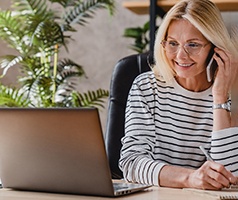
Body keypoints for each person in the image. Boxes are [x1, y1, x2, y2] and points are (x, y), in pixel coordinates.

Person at [119, 0, 238, 190]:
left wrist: (220, 96)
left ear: (215, 47)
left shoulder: (233, 94)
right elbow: (131, 163)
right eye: (173, 43)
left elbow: (230, 178)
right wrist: (189, 178)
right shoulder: (146, 87)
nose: (180, 56)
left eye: (193, 44)